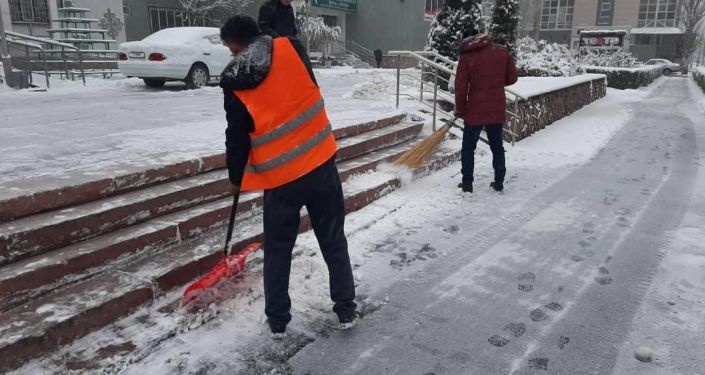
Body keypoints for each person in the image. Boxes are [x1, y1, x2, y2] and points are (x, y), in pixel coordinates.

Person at [219, 15, 357, 338]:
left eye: (229, 48)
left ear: (238, 44)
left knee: (278, 250)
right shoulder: (291, 48)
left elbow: (236, 135)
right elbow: (307, 89)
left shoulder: (235, 80)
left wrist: (236, 175)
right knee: (334, 239)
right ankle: (346, 308)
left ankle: (278, 320)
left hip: (281, 179)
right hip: (321, 162)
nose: (230, 54)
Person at [454, 30, 518, 193]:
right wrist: (495, 83)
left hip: (475, 108)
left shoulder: (467, 57)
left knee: (468, 147)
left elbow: (461, 87)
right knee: (497, 146)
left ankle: (467, 183)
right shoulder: (501, 52)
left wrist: (460, 109)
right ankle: (499, 181)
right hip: (495, 107)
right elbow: (512, 78)